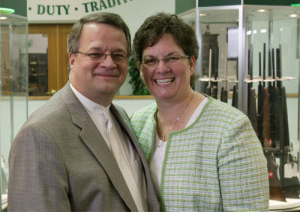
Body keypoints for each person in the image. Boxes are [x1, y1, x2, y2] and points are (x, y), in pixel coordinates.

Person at [8, 12, 160, 212]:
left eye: (118, 55)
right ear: (72, 59)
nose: (109, 63)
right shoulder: (39, 135)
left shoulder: (119, 115)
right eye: (95, 54)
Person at [130, 12, 269, 211]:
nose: (161, 68)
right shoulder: (137, 123)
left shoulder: (232, 130)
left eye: (172, 58)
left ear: (192, 63)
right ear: (140, 69)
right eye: (150, 60)